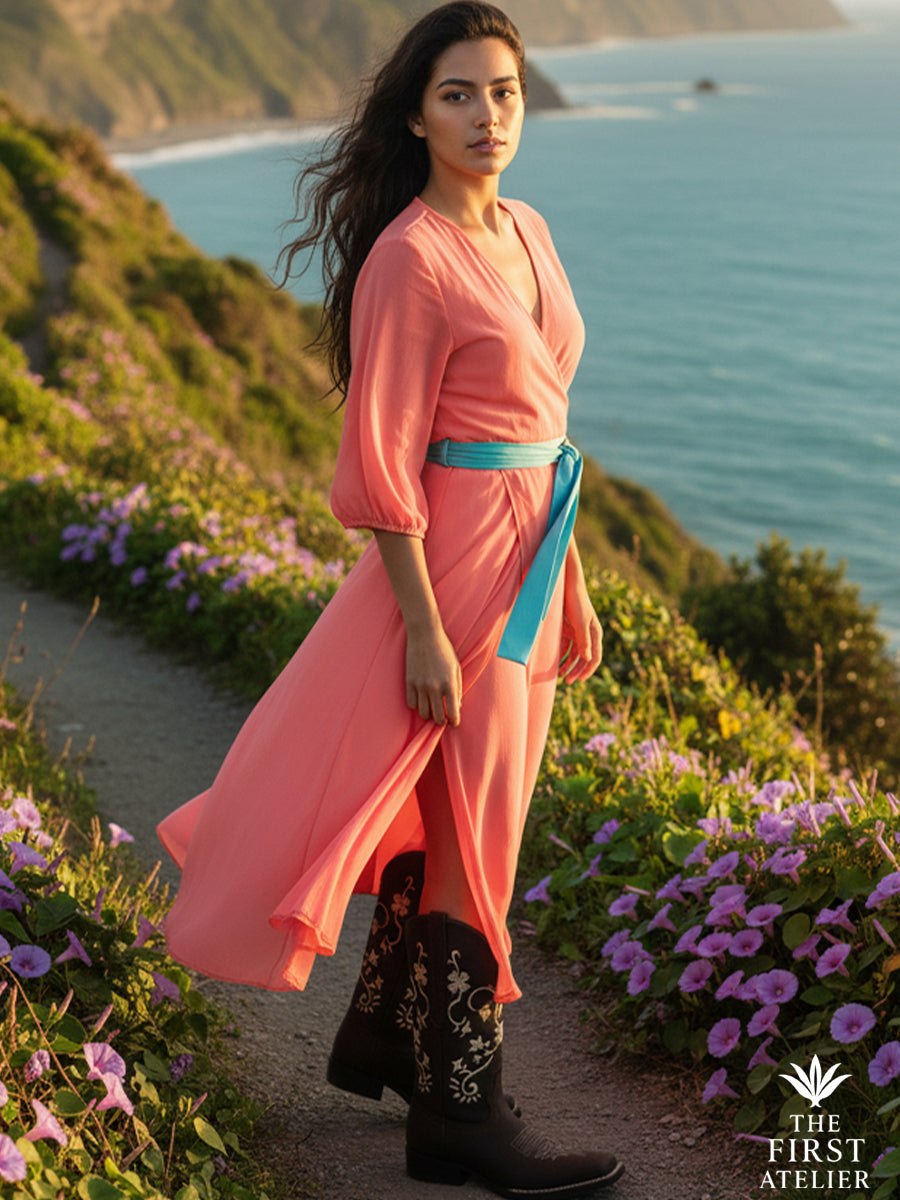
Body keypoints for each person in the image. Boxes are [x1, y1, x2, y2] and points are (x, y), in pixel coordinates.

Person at [157, 2, 624, 1195]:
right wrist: (422, 622)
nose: (486, 115)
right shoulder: (409, 258)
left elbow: (542, 430)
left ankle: (390, 1038)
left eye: (504, 92)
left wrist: (568, 578)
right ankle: (462, 1114)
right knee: (479, 829)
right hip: (455, 579)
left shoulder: (530, 227)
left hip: (528, 553)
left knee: (456, 808)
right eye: (459, 93)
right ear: (416, 112)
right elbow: (380, 463)